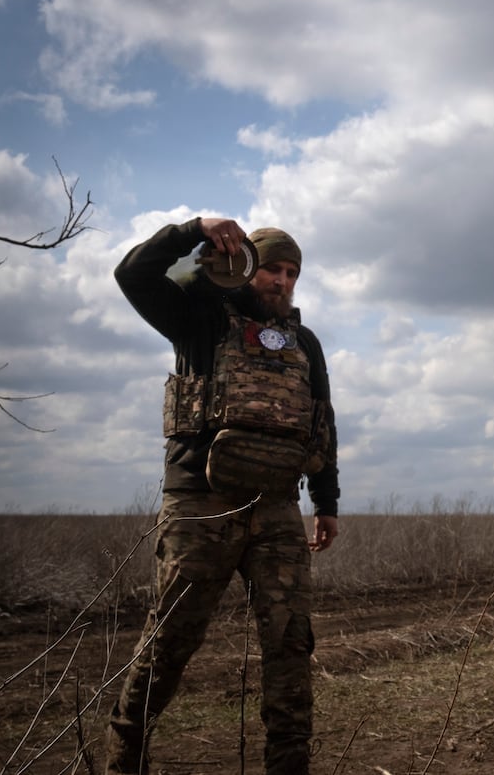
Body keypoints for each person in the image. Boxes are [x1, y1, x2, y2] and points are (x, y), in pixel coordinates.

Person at [106, 217, 340, 775]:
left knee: (289, 646)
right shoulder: (199, 316)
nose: (282, 281)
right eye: (272, 268)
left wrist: (326, 503)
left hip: (279, 506)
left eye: (292, 273)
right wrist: (195, 230)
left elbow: (322, 423)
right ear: (247, 266)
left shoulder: (304, 342)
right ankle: (123, 762)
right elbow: (132, 273)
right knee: (170, 643)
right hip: (201, 504)